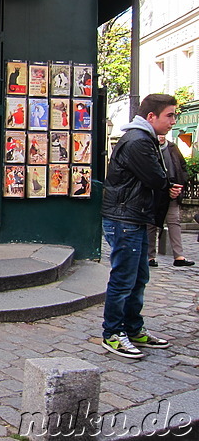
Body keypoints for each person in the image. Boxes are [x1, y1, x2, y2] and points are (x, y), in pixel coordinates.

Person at [101, 94, 179, 359]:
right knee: (124, 279)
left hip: (134, 217)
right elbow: (158, 178)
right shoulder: (137, 141)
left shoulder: (145, 139)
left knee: (138, 278)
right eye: (169, 115)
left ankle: (133, 329)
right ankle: (112, 333)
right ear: (151, 117)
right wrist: (167, 184)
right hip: (125, 219)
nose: (173, 121)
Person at [147, 134, 194, 268]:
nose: (161, 137)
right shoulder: (150, 147)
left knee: (174, 221)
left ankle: (179, 256)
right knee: (152, 224)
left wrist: (181, 182)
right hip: (156, 191)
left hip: (173, 190)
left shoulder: (172, 148)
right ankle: (150, 256)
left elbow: (182, 167)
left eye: (163, 135)